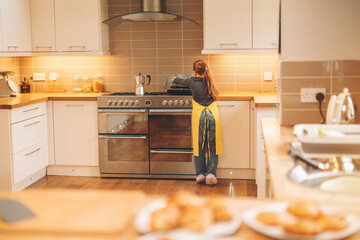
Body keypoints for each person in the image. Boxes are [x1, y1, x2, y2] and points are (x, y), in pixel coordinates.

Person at [172, 60, 222, 185]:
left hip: (199, 116)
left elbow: (179, 81)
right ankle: (211, 174)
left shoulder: (190, 81)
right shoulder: (209, 81)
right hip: (212, 115)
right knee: (212, 145)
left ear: (194, 71)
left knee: (199, 145)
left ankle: (200, 174)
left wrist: (173, 79)